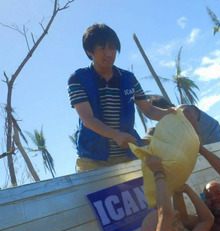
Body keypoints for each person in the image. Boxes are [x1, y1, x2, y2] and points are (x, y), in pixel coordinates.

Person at [68, 24, 174, 172]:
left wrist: (174, 113)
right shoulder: (78, 79)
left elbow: (149, 110)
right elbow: (88, 120)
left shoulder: (128, 78)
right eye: (102, 48)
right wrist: (116, 135)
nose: (109, 53)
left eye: (112, 48)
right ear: (89, 51)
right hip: (93, 160)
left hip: (129, 154)